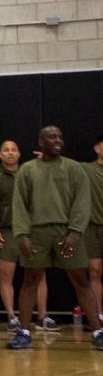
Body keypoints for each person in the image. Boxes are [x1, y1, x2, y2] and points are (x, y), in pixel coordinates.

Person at [7, 126, 103, 350]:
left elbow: (82, 202)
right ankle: (24, 333)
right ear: (42, 142)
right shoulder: (28, 170)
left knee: (81, 280)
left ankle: (98, 333)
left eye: (60, 136)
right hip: (37, 233)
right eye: (52, 137)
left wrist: (75, 232)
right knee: (30, 280)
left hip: (67, 234)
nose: (58, 140)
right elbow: (19, 204)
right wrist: (22, 235)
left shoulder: (74, 168)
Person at [0, 141, 56, 332]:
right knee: (7, 276)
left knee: (40, 275)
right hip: (7, 232)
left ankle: (42, 317)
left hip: (31, 232)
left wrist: (44, 165)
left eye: (14, 150)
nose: (10, 153)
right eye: (6, 150)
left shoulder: (28, 172)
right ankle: (12, 317)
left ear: (19, 153)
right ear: (0, 154)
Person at [83, 136, 103, 324]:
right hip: (93, 228)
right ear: (97, 148)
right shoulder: (87, 169)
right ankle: (98, 317)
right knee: (95, 271)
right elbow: (64, 166)